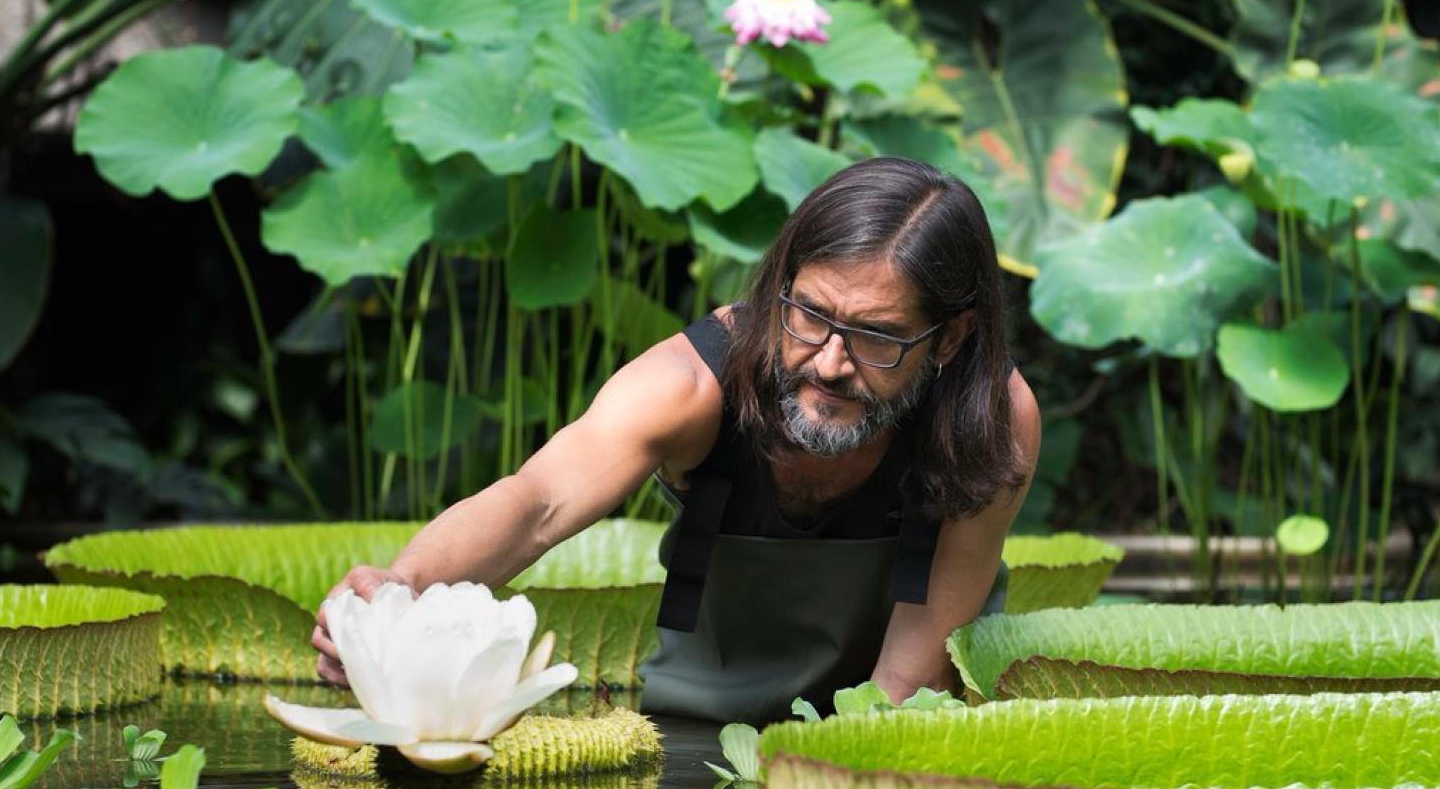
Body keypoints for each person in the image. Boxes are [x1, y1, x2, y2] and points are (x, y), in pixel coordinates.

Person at [314, 157, 1041, 724]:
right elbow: (537, 502)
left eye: (876, 337)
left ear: (949, 339)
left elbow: (908, 682)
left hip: (892, 724)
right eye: (809, 315)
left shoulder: (992, 420)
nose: (828, 363)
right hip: (697, 725)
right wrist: (404, 588)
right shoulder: (690, 385)